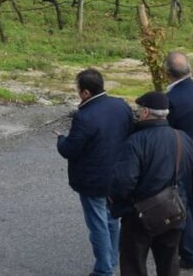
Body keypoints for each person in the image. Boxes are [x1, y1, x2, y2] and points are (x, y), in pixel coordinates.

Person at [110, 91, 193, 276]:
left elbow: (123, 183)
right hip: (173, 214)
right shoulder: (184, 139)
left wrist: (116, 202)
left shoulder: (135, 142)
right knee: (169, 265)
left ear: (145, 112)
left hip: (138, 216)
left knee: (133, 266)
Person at [55, 69, 134, 276]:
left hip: (93, 180)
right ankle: (112, 259)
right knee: (111, 219)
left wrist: (61, 139)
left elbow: (70, 149)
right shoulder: (121, 105)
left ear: (86, 93)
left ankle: (103, 269)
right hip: (117, 176)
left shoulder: (85, 116)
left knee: (97, 224)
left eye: (78, 90)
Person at [164, 52, 193, 270]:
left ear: (167, 72)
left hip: (180, 157)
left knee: (183, 204)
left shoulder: (171, 99)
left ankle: (190, 253)